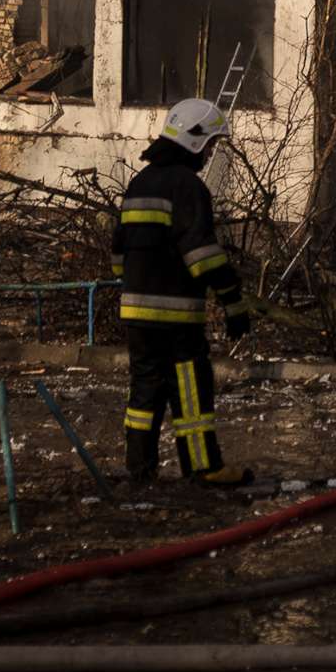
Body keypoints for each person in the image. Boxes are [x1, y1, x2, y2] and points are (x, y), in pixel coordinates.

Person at [112, 97, 255, 486]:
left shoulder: (139, 183)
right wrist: (233, 301)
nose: (210, 154)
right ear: (194, 141)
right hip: (176, 316)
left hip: (137, 315)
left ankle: (139, 470)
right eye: (210, 144)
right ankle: (203, 467)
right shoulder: (187, 187)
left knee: (145, 390)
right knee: (191, 388)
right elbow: (202, 255)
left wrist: (134, 290)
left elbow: (118, 252)